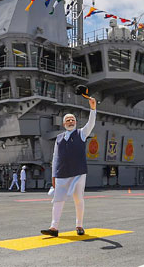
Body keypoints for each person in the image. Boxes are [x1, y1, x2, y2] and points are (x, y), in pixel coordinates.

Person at [41, 97, 96, 237]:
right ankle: (54, 228)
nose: (71, 121)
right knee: (58, 200)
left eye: (73, 120)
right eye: (68, 120)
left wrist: (93, 109)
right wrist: (53, 175)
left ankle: (79, 225)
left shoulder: (81, 134)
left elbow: (91, 124)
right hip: (61, 172)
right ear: (64, 124)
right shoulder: (59, 138)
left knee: (78, 199)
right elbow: (55, 157)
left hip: (78, 172)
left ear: (76, 123)